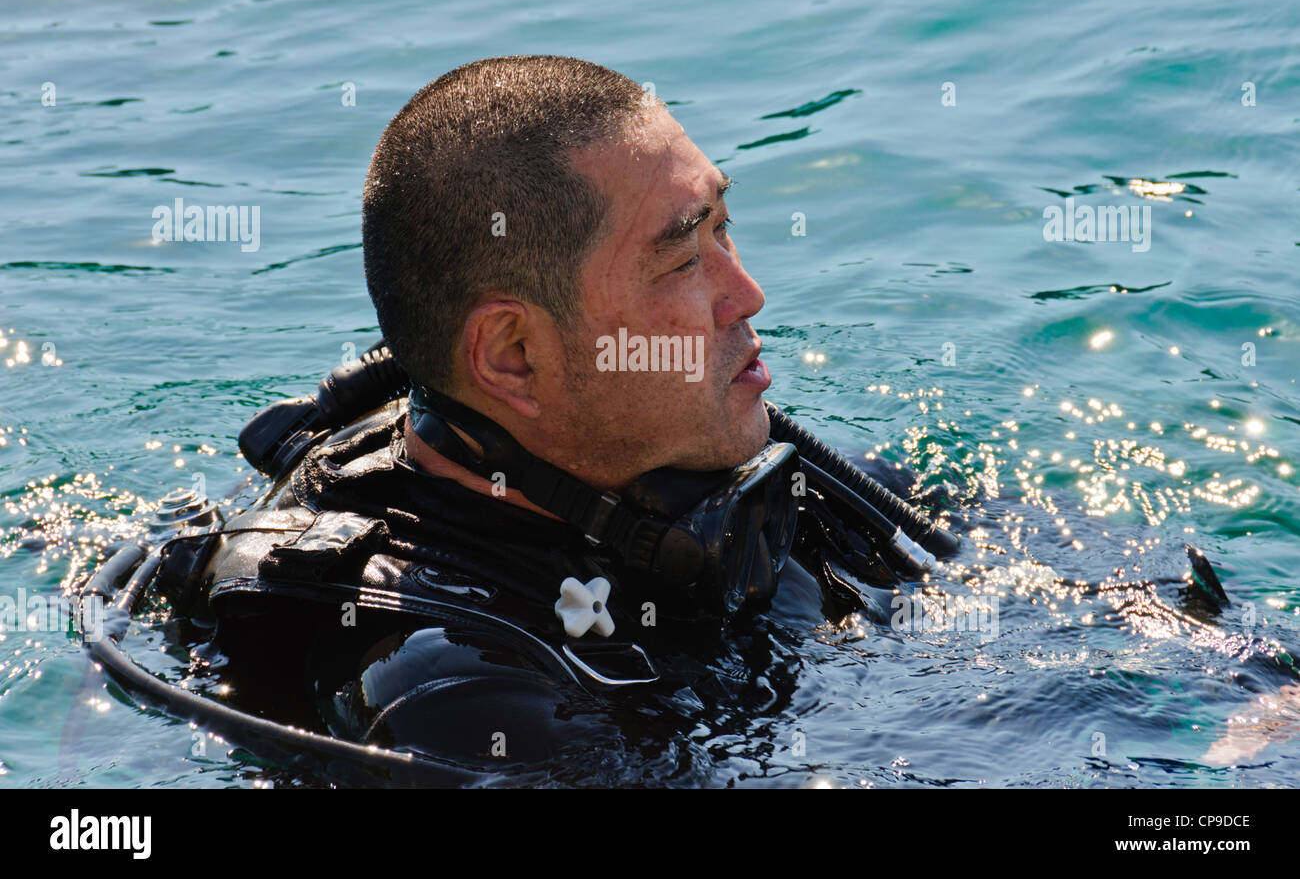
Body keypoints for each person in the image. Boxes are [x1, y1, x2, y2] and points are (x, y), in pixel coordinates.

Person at [184, 56, 954, 785]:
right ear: (514, 356)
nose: (746, 293)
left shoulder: (725, 469)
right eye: (682, 261)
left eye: (721, 225)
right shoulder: (452, 696)